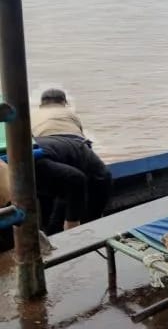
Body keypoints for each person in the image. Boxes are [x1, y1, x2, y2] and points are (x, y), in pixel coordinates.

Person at [30, 89, 111, 233]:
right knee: (101, 178)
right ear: (64, 102)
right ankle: (90, 224)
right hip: (72, 145)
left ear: (42, 104)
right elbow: (82, 139)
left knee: (63, 188)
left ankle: (53, 230)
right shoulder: (69, 113)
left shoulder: (31, 115)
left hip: (41, 148)